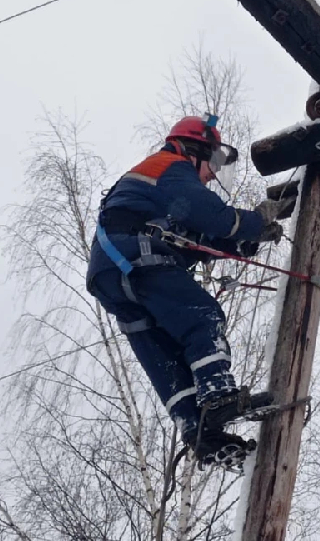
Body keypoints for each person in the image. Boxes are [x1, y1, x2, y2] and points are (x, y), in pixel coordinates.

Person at [86, 114, 291, 469]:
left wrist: (242, 243)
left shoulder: (154, 185)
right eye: (211, 162)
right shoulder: (171, 167)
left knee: (164, 354)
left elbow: (195, 236)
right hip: (136, 258)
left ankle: (199, 432)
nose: (212, 173)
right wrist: (256, 222)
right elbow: (217, 218)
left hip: (111, 273)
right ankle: (217, 394)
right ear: (192, 148)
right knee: (202, 316)